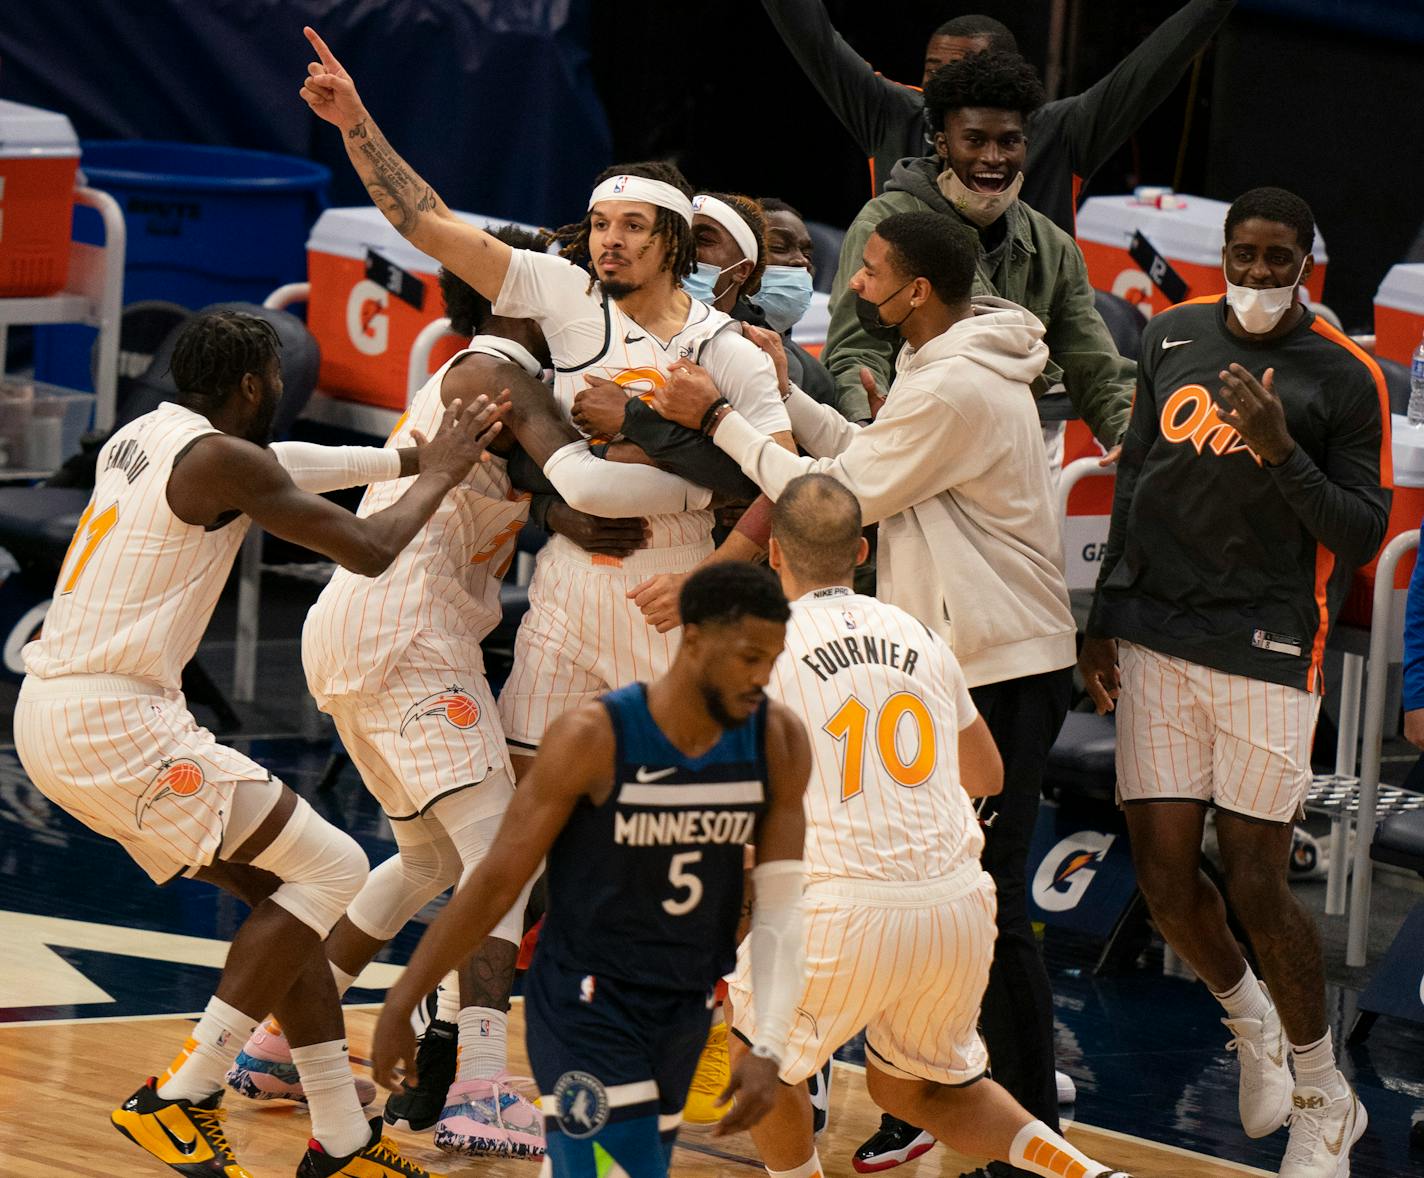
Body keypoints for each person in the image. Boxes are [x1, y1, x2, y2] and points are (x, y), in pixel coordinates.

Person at [226, 227, 714, 1160]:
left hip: (363, 632)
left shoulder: (489, 377)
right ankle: (483, 1090)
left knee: (424, 862)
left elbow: (532, 475)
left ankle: (279, 1041)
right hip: (409, 637)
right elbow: (575, 469)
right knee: (505, 858)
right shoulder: (496, 366)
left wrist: (553, 505)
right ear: (505, 294)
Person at [13, 310, 504, 1178]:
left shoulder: (149, 434)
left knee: (289, 905)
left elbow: (287, 468)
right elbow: (369, 547)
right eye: (276, 378)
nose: (282, 389)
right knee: (336, 870)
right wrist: (446, 474)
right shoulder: (222, 460)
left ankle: (342, 1143)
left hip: (63, 709)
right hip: (115, 721)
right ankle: (183, 1093)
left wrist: (404, 460)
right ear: (254, 386)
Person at [653, 211, 1080, 1177]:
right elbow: (858, 456)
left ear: (916, 289)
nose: (853, 286)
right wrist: (783, 388)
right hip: (965, 654)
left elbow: (833, 492)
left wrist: (715, 417)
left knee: (999, 905)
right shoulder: (950, 360)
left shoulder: (959, 382)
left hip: (999, 658)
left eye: (872, 270)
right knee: (958, 894)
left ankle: (1028, 1122)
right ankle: (936, 1093)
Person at [298, 26, 794, 779]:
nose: (609, 241)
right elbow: (425, 223)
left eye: (632, 227)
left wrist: (710, 576)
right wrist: (356, 125)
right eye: (600, 225)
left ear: (673, 245)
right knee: (526, 803)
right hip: (566, 583)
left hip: (670, 577)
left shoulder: (724, 347)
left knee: (695, 810)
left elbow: (786, 481)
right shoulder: (566, 295)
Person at [1078, 187, 1390, 1177]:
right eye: (1242, 255)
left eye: (1276, 258)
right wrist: (1101, 618)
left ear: (1306, 264)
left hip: (1264, 646)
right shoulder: (1169, 336)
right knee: (1166, 877)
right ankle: (1252, 1023)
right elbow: (1134, 482)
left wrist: (1278, 450)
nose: (1256, 273)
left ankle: (1318, 1093)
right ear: (1222, 253)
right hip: (1157, 635)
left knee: (1253, 875)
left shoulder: (1345, 375)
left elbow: (1359, 529)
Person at [722, 473, 1133, 1178]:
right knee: (917, 1087)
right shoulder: (918, 633)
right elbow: (988, 776)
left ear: (775, 557)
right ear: (861, 549)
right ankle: (1084, 1172)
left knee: (760, 1060)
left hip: (841, 906)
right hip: (954, 906)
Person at [367, 562, 812, 1178]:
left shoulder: (777, 740)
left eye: (773, 660)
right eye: (748, 658)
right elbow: (497, 879)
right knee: (617, 1171)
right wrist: (405, 995)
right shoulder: (593, 737)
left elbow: (783, 909)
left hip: (682, 1007)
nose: (762, 678)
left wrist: (769, 1044)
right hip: (586, 1003)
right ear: (695, 638)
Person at [823, 50, 1136, 432]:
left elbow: (1095, 364)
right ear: (942, 144)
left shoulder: (1053, 245)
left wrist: (1127, 438)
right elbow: (856, 350)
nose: (993, 158)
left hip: (1010, 438)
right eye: (974, 140)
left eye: (1009, 142)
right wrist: (867, 426)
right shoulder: (884, 224)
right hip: (905, 433)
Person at [758, 0, 1235, 225]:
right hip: (903, 363)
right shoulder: (895, 112)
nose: (942, 89)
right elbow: (813, 39)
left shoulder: (1061, 130)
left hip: (1024, 373)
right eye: (933, 73)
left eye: (961, 72)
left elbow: (1156, 65)